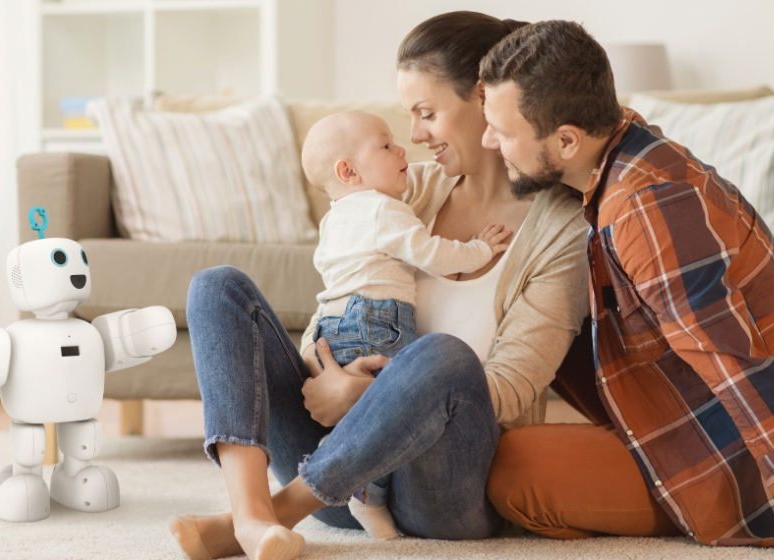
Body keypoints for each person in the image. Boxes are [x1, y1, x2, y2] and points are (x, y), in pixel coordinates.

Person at [167, 11, 591, 560]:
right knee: (217, 287)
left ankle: (276, 512)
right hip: (345, 479)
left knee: (443, 354)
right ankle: (251, 515)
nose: (413, 136)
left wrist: (365, 395)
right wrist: (326, 370)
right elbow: (345, 291)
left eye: (426, 114)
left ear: (485, 99)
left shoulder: (559, 228)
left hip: (442, 494)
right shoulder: (409, 189)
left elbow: (510, 390)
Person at [478, 20, 774, 559]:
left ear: (567, 140)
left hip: (738, 466)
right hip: (683, 416)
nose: (487, 142)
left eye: (500, 132)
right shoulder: (622, 150)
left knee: (509, 472)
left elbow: (729, 359)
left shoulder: (645, 207)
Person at [301, 109, 511, 538]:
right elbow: (431, 253)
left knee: (371, 409)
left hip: (333, 324)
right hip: (377, 322)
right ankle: (362, 488)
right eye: (386, 145)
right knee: (396, 410)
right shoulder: (382, 209)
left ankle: (340, 453)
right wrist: (478, 250)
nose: (403, 149)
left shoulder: (333, 220)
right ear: (348, 170)